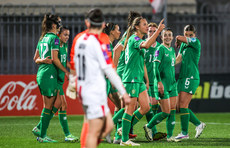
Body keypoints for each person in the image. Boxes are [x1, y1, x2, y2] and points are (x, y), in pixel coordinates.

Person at [73, 8, 131, 148]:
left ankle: (88, 142)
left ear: (87, 22)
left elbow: (75, 63)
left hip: (85, 87)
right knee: (95, 129)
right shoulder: (100, 43)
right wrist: (123, 92)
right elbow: (108, 69)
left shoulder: (79, 39)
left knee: (107, 126)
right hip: (93, 88)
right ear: (103, 24)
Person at [119, 17, 165, 146]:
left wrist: (147, 80)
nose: (146, 26)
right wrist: (158, 31)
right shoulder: (134, 39)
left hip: (138, 80)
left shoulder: (138, 40)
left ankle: (124, 128)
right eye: (144, 24)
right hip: (131, 78)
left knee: (145, 107)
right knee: (129, 109)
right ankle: (124, 139)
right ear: (137, 27)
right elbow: (146, 45)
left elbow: (142, 62)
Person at [143, 28, 179, 142]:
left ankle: (170, 136)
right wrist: (158, 82)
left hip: (172, 84)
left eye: (170, 35)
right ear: (161, 37)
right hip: (163, 84)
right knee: (165, 112)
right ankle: (148, 127)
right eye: (165, 35)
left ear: (172, 37)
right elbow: (155, 67)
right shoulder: (160, 49)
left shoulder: (172, 50)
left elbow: (171, 67)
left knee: (172, 110)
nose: (168, 37)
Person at [112, 11, 142, 144]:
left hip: (127, 72)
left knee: (128, 106)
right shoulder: (130, 35)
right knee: (126, 106)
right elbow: (117, 49)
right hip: (124, 72)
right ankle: (114, 132)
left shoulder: (130, 34)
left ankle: (120, 132)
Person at [32, 14, 62, 143]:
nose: (60, 25)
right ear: (54, 25)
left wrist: (42, 60)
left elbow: (35, 59)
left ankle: (40, 129)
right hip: (48, 73)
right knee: (48, 106)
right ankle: (42, 135)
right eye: (59, 23)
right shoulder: (54, 38)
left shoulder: (42, 38)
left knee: (57, 102)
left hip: (43, 73)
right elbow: (55, 59)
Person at [175, 25, 206, 140]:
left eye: (190, 35)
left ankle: (184, 133)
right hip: (183, 76)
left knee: (183, 105)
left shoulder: (196, 42)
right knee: (178, 106)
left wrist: (179, 39)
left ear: (194, 35)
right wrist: (168, 64)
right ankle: (199, 124)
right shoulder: (184, 44)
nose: (188, 36)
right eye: (186, 34)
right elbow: (178, 59)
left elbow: (179, 37)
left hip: (191, 76)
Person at [144, 22, 167, 140]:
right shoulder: (143, 46)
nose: (151, 33)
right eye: (150, 31)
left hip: (155, 81)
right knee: (146, 106)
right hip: (144, 82)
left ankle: (151, 131)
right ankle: (152, 130)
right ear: (146, 32)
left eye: (154, 31)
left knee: (152, 107)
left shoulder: (160, 47)